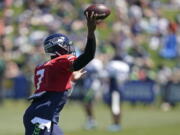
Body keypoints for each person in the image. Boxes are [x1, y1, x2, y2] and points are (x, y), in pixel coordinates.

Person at [23, 11, 97, 135]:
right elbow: (88, 55)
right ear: (60, 47)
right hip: (40, 119)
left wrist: (71, 79)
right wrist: (91, 32)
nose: (70, 48)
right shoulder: (60, 62)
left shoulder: (42, 67)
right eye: (67, 46)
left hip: (42, 116)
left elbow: (53, 89)